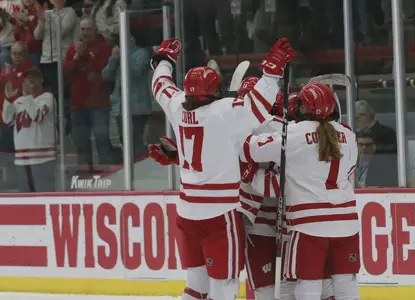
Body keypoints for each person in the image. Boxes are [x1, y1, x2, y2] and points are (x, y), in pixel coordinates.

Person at [149, 37, 293, 300]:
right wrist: (272, 72)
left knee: (195, 289)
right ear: (216, 92)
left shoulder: (177, 105)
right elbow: (259, 104)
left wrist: (164, 61)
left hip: (186, 213)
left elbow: (160, 85)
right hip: (219, 216)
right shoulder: (227, 112)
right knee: (223, 290)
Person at [239, 82, 360, 300]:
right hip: (347, 225)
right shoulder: (348, 135)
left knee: (307, 288)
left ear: (301, 108)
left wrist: (241, 121)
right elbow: (349, 169)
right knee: (346, 288)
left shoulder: (290, 134)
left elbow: (246, 149)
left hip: (308, 226)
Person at [64, 18, 117, 170]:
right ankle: (85, 175)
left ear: (96, 30)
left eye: (88, 29)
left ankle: (109, 174)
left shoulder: (105, 47)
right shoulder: (72, 49)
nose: (85, 32)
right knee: (81, 140)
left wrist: (85, 56)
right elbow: (65, 72)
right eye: (82, 29)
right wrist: (76, 57)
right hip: (78, 104)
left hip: (98, 103)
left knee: (102, 139)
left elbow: (102, 72)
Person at [1, 68, 56, 192]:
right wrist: (8, 100)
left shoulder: (47, 98)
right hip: (21, 158)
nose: (32, 82)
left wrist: (27, 96)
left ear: (41, 80)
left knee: (43, 197)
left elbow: (38, 116)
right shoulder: (19, 101)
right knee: (26, 198)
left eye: (35, 78)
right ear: (23, 81)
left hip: (43, 158)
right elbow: (6, 119)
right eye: (28, 79)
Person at [101, 31, 151, 157]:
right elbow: (106, 75)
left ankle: (140, 168)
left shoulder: (141, 53)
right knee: (125, 140)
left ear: (132, 39)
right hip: (120, 106)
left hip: (137, 106)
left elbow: (136, 72)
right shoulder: (117, 56)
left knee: (136, 141)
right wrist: (113, 59)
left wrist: (123, 57)